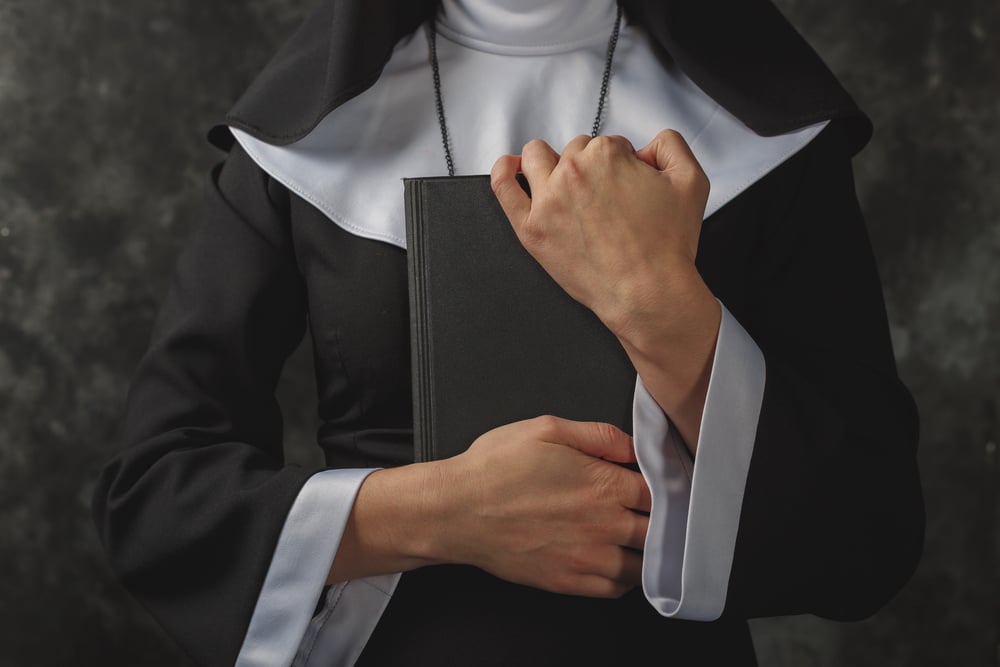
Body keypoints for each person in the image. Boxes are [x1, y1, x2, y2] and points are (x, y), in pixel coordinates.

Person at [92, 0, 925, 665]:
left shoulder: (768, 130)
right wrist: (444, 512)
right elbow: (158, 501)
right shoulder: (298, 140)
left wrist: (656, 303)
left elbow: (869, 528)